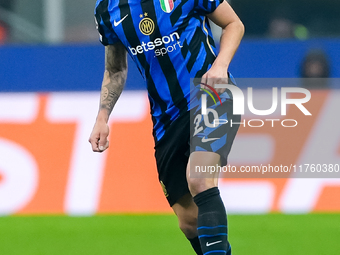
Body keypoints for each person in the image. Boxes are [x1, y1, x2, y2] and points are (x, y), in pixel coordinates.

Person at [89, 0, 244, 254]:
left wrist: (221, 66)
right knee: (189, 222)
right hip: (166, 119)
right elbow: (115, 69)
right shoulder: (107, 10)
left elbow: (234, 24)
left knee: (200, 179)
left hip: (212, 95)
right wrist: (102, 116)